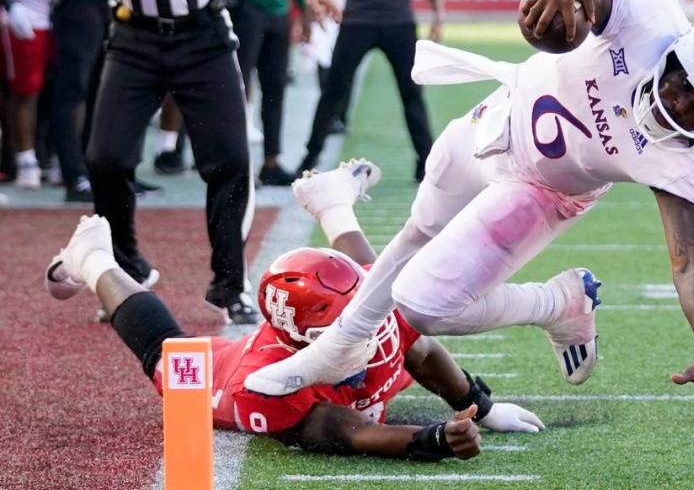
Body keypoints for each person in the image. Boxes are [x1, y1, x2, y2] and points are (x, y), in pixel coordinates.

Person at [246, 0, 694, 401]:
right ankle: (342, 345)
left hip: (545, 189)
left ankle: (558, 303)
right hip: (499, 118)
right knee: (418, 230)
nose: (675, 104)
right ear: (680, 53)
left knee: (425, 304)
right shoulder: (648, 18)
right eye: (682, 82)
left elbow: (689, 256)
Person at [44, 160, 544, 460]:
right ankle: (90, 256)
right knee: (164, 354)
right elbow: (352, 432)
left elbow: (423, 348)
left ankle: (331, 203)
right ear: (310, 340)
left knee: (391, 283)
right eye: (347, 317)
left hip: (299, 345)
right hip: (221, 376)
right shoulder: (266, 383)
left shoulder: (359, 303)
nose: (366, 317)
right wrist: (432, 439)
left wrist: (479, 402)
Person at [65, 0, 342, 324]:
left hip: (203, 34)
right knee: (105, 157)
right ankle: (128, 269)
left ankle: (231, 286)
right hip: (133, 37)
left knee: (229, 158)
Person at [296, 0, 443, 181]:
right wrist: (315, 6)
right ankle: (309, 160)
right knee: (333, 90)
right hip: (357, 20)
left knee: (412, 93)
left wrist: (438, 17)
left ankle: (426, 164)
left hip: (398, 21)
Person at [222, 0, 304, 186]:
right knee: (239, 88)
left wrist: (303, 8)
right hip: (246, 3)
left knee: (275, 87)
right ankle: (237, 166)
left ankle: (271, 162)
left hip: (279, 8)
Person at [45, 0, 111, 203]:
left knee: (103, 90)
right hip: (78, 2)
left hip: (109, 2)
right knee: (73, 88)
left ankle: (97, 169)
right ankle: (73, 173)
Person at [0, 0, 53, 190]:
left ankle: (50, 154)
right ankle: (24, 158)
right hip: (25, 5)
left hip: (58, 2)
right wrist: (10, 1)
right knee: (25, 87)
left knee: (57, 84)